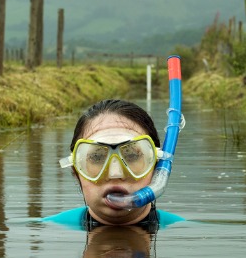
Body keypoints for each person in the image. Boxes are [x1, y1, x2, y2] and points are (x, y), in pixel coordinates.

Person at [42, 99, 184, 231]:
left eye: (132, 156)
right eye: (97, 157)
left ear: (156, 167)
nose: (115, 174)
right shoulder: (46, 229)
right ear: (76, 171)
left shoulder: (183, 231)